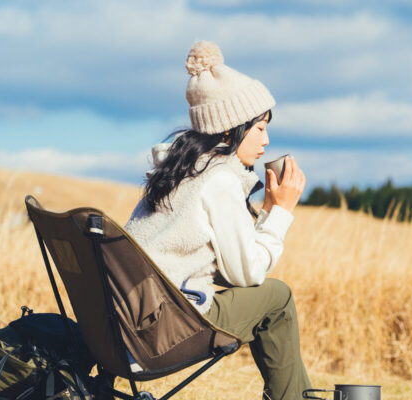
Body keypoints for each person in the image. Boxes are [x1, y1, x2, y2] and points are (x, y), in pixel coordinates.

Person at [124, 40, 311, 400]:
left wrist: (267, 212)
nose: (266, 140)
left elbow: (228, 267)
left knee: (266, 295)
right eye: (258, 128)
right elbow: (249, 275)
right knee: (278, 297)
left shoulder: (178, 172)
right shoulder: (220, 180)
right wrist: (282, 212)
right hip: (168, 326)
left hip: (127, 322)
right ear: (229, 130)